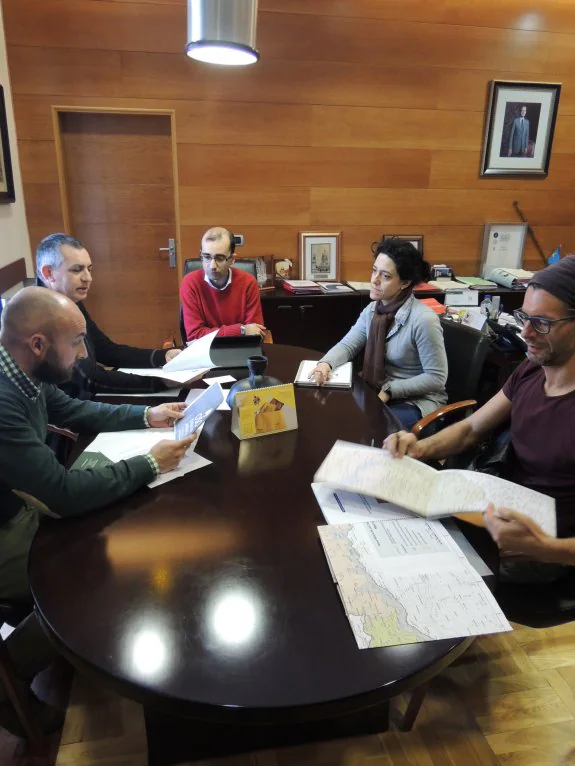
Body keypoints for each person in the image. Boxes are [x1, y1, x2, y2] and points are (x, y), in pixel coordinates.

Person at [0, 287, 196, 735]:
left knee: (99, 542)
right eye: (77, 341)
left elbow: (71, 408)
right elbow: (63, 493)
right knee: (82, 573)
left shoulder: (19, 370)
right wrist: (150, 461)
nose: (85, 353)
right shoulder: (3, 397)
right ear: (38, 344)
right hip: (5, 523)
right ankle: (8, 679)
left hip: (18, 506)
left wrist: (147, 416)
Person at [384, 256, 575, 581]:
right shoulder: (530, 371)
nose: (525, 332)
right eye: (523, 317)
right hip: (501, 512)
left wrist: (546, 548)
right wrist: (416, 447)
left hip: (547, 548)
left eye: (541, 323)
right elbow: (473, 427)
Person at [310, 238, 448, 430]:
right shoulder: (373, 310)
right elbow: (348, 345)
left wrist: (390, 391)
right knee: (333, 414)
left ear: (405, 283)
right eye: (374, 270)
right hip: (379, 392)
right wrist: (325, 363)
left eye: (385, 276)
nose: (374, 280)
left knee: (364, 427)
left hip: (416, 403)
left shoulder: (423, 320)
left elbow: (436, 377)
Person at [36, 233, 182, 399]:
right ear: (48, 273)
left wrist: (161, 356)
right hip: (73, 411)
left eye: (89, 269)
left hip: (88, 400)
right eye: (77, 270)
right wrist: (159, 383)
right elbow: (90, 379)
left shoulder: (69, 300)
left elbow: (105, 349)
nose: (88, 278)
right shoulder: (44, 318)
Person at [180, 226, 266, 342]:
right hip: (204, 353)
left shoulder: (248, 283)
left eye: (219, 258)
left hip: (240, 350)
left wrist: (212, 334)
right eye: (206, 257)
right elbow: (195, 335)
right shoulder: (190, 283)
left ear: (232, 259)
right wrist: (241, 330)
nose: (212, 266)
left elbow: (255, 333)